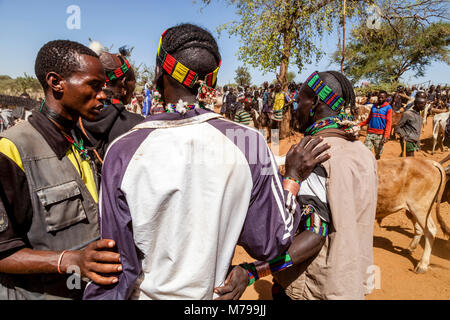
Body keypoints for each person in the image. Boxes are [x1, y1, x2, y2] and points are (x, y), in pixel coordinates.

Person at [83, 24, 330, 300]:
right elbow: (272, 241)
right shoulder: (248, 143)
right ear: (210, 83)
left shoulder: (124, 150)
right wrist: (293, 178)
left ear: (157, 72)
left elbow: (116, 267)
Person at [216, 71, 378, 300]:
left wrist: (253, 271)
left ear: (316, 103)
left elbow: (315, 234)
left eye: (299, 99)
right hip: (350, 284)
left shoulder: (313, 154)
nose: (293, 106)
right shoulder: (362, 152)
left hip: (313, 289)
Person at [0, 40, 122, 300]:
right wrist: (70, 260)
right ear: (56, 82)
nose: (103, 95)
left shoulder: (80, 141)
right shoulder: (12, 148)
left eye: (104, 87)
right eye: (94, 85)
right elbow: (3, 252)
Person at [78, 51, 144, 163]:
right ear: (124, 82)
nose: (134, 85)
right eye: (133, 80)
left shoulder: (77, 120)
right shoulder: (138, 126)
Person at [359, 90, 393, 160]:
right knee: (365, 151)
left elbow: (389, 123)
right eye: (379, 97)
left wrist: (386, 136)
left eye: (382, 98)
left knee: (378, 154)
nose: (380, 99)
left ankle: (377, 166)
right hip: (370, 133)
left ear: (386, 98)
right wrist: (360, 124)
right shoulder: (374, 106)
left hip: (380, 135)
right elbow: (369, 119)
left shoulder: (388, 108)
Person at [395, 92, 427, 157]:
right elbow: (397, 127)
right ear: (417, 104)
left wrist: (418, 143)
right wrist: (403, 135)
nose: (424, 106)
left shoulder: (420, 117)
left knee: (405, 158)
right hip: (407, 141)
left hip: (414, 141)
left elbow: (417, 131)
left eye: (425, 104)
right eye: (422, 104)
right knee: (411, 159)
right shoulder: (407, 114)